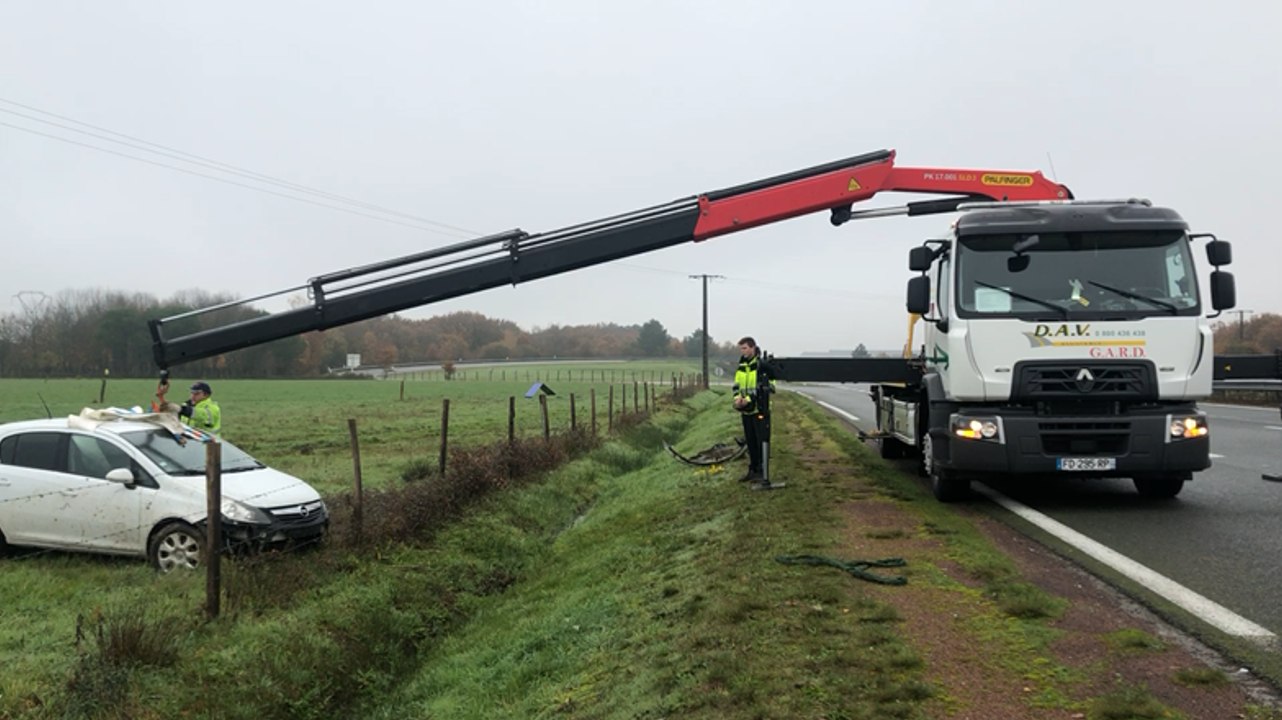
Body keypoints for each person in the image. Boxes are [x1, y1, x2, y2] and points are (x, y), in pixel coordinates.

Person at [733, 336, 778, 489]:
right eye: (741, 349)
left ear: (753, 348)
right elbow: (736, 386)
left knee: (761, 441)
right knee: (750, 441)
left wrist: (748, 399)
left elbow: (768, 386)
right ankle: (753, 470)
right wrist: (737, 399)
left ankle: (762, 472)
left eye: (745, 348)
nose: (743, 351)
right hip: (746, 411)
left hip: (759, 409)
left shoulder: (762, 365)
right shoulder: (741, 366)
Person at [157, 379, 222, 436]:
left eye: (196, 394)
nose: (192, 396)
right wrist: (161, 398)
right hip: (191, 443)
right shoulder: (186, 405)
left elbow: (200, 414)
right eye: (192, 393)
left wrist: (180, 409)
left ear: (206, 395)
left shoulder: (213, 408)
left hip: (209, 444)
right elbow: (172, 417)